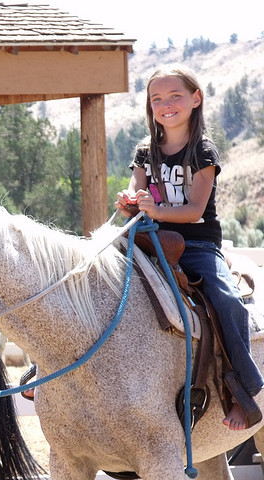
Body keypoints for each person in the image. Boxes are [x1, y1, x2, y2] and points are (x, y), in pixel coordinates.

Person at [115, 64, 263, 431]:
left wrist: (156, 208)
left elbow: (196, 210)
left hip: (196, 243)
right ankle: (47, 374)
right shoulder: (146, 151)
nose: (166, 104)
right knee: (88, 274)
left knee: (227, 301)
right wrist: (130, 203)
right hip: (148, 239)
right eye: (156, 99)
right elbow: (139, 191)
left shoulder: (203, 151)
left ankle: (246, 394)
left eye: (175, 96)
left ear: (195, 99)